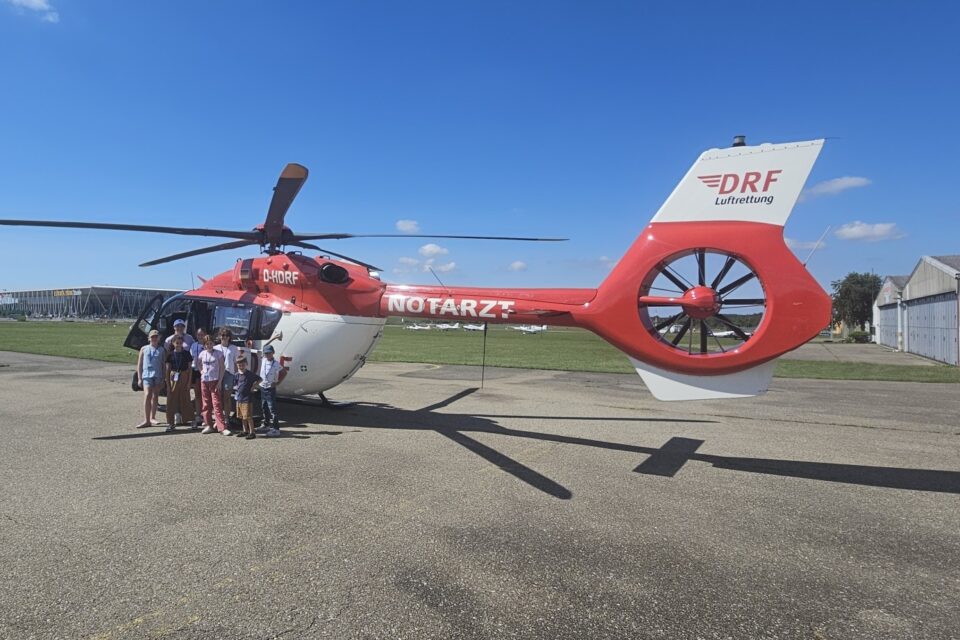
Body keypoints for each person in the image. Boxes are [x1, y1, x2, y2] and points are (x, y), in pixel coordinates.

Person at [195, 336, 230, 435]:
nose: (209, 345)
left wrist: (219, 381)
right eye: (207, 344)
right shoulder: (202, 354)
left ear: (213, 344)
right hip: (204, 381)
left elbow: (222, 368)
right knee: (206, 404)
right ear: (204, 345)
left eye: (210, 343)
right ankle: (209, 425)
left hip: (215, 381)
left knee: (217, 404)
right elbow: (198, 364)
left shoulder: (218, 354)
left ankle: (222, 427)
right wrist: (201, 371)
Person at [164, 335, 195, 432]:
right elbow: (168, 370)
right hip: (173, 377)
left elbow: (190, 369)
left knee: (185, 399)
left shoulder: (186, 354)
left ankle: (192, 420)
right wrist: (168, 384)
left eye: (180, 343)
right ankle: (170, 423)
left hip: (184, 376)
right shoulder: (170, 354)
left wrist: (189, 382)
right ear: (173, 343)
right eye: (177, 343)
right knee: (171, 400)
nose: (178, 345)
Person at [135, 330, 166, 428]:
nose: (154, 338)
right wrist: (139, 378)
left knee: (155, 395)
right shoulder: (144, 349)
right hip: (147, 375)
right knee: (147, 394)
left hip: (157, 375)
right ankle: (146, 419)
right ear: (149, 338)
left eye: (156, 337)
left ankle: (153, 417)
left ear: (159, 338)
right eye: (152, 337)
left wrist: (163, 378)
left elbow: (163, 365)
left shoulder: (161, 350)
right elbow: (139, 364)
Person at [257, 344, 285, 437]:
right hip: (262, 387)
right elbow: (264, 345)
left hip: (270, 388)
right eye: (266, 353)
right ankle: (266, 424)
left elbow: (284, 372)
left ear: (273, 353)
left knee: (272, 408)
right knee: (264, 406)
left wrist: (277, 383)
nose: (267, 355)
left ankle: (276, 429)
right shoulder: (263, 359)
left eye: (269, 353)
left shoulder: (276, 364)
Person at [214, 329, 239, 426]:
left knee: (227, 397)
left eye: (226, 335)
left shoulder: (233, 348)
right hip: (217, 373)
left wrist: (237, 376)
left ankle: (227, 417)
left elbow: (236, 363)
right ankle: (219, 418)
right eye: (222, 335)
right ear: (220, 336)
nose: (224, 337)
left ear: (229, 337)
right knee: (218, 397)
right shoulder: (215, 348)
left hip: (229, 373)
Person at [233, 357, 261, 440]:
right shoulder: (237, 375)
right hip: (239, 398)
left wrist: (253, 386)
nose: (241, 367)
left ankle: (252, 432)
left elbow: (260, 379)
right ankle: (245, 430)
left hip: (247, 399)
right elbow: (236, 384)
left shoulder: (250, 374)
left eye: (242, 365)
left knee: (248, 416)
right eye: (239, 365)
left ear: (246, 364)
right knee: (242, 416)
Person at [189, 328, 207, 426]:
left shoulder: (208, 345)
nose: (200, 336)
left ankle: (206, 415)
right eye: (199, 334)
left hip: (206, 371)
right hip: (195, 370)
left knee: (206, 394)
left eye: (202, 334)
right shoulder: (193, 345)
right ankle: (198, 415)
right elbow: (192, 358)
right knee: (197, 394)